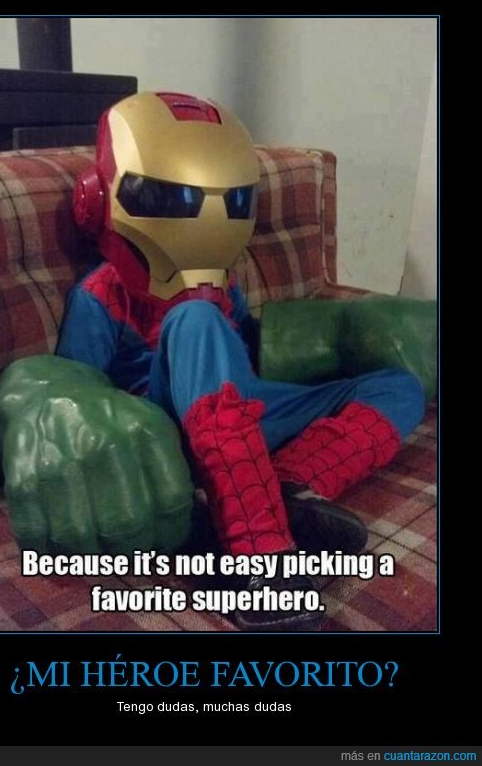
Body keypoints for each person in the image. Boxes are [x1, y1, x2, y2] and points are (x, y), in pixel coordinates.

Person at [53, 90, 425, 631]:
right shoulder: (100, 295)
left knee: (399, 387)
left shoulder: (220, 280)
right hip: (168, 423)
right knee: (195, 319)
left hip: (240, 415)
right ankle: (261, 558)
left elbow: (243, 351)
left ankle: (283, 488)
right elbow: (79, 393)